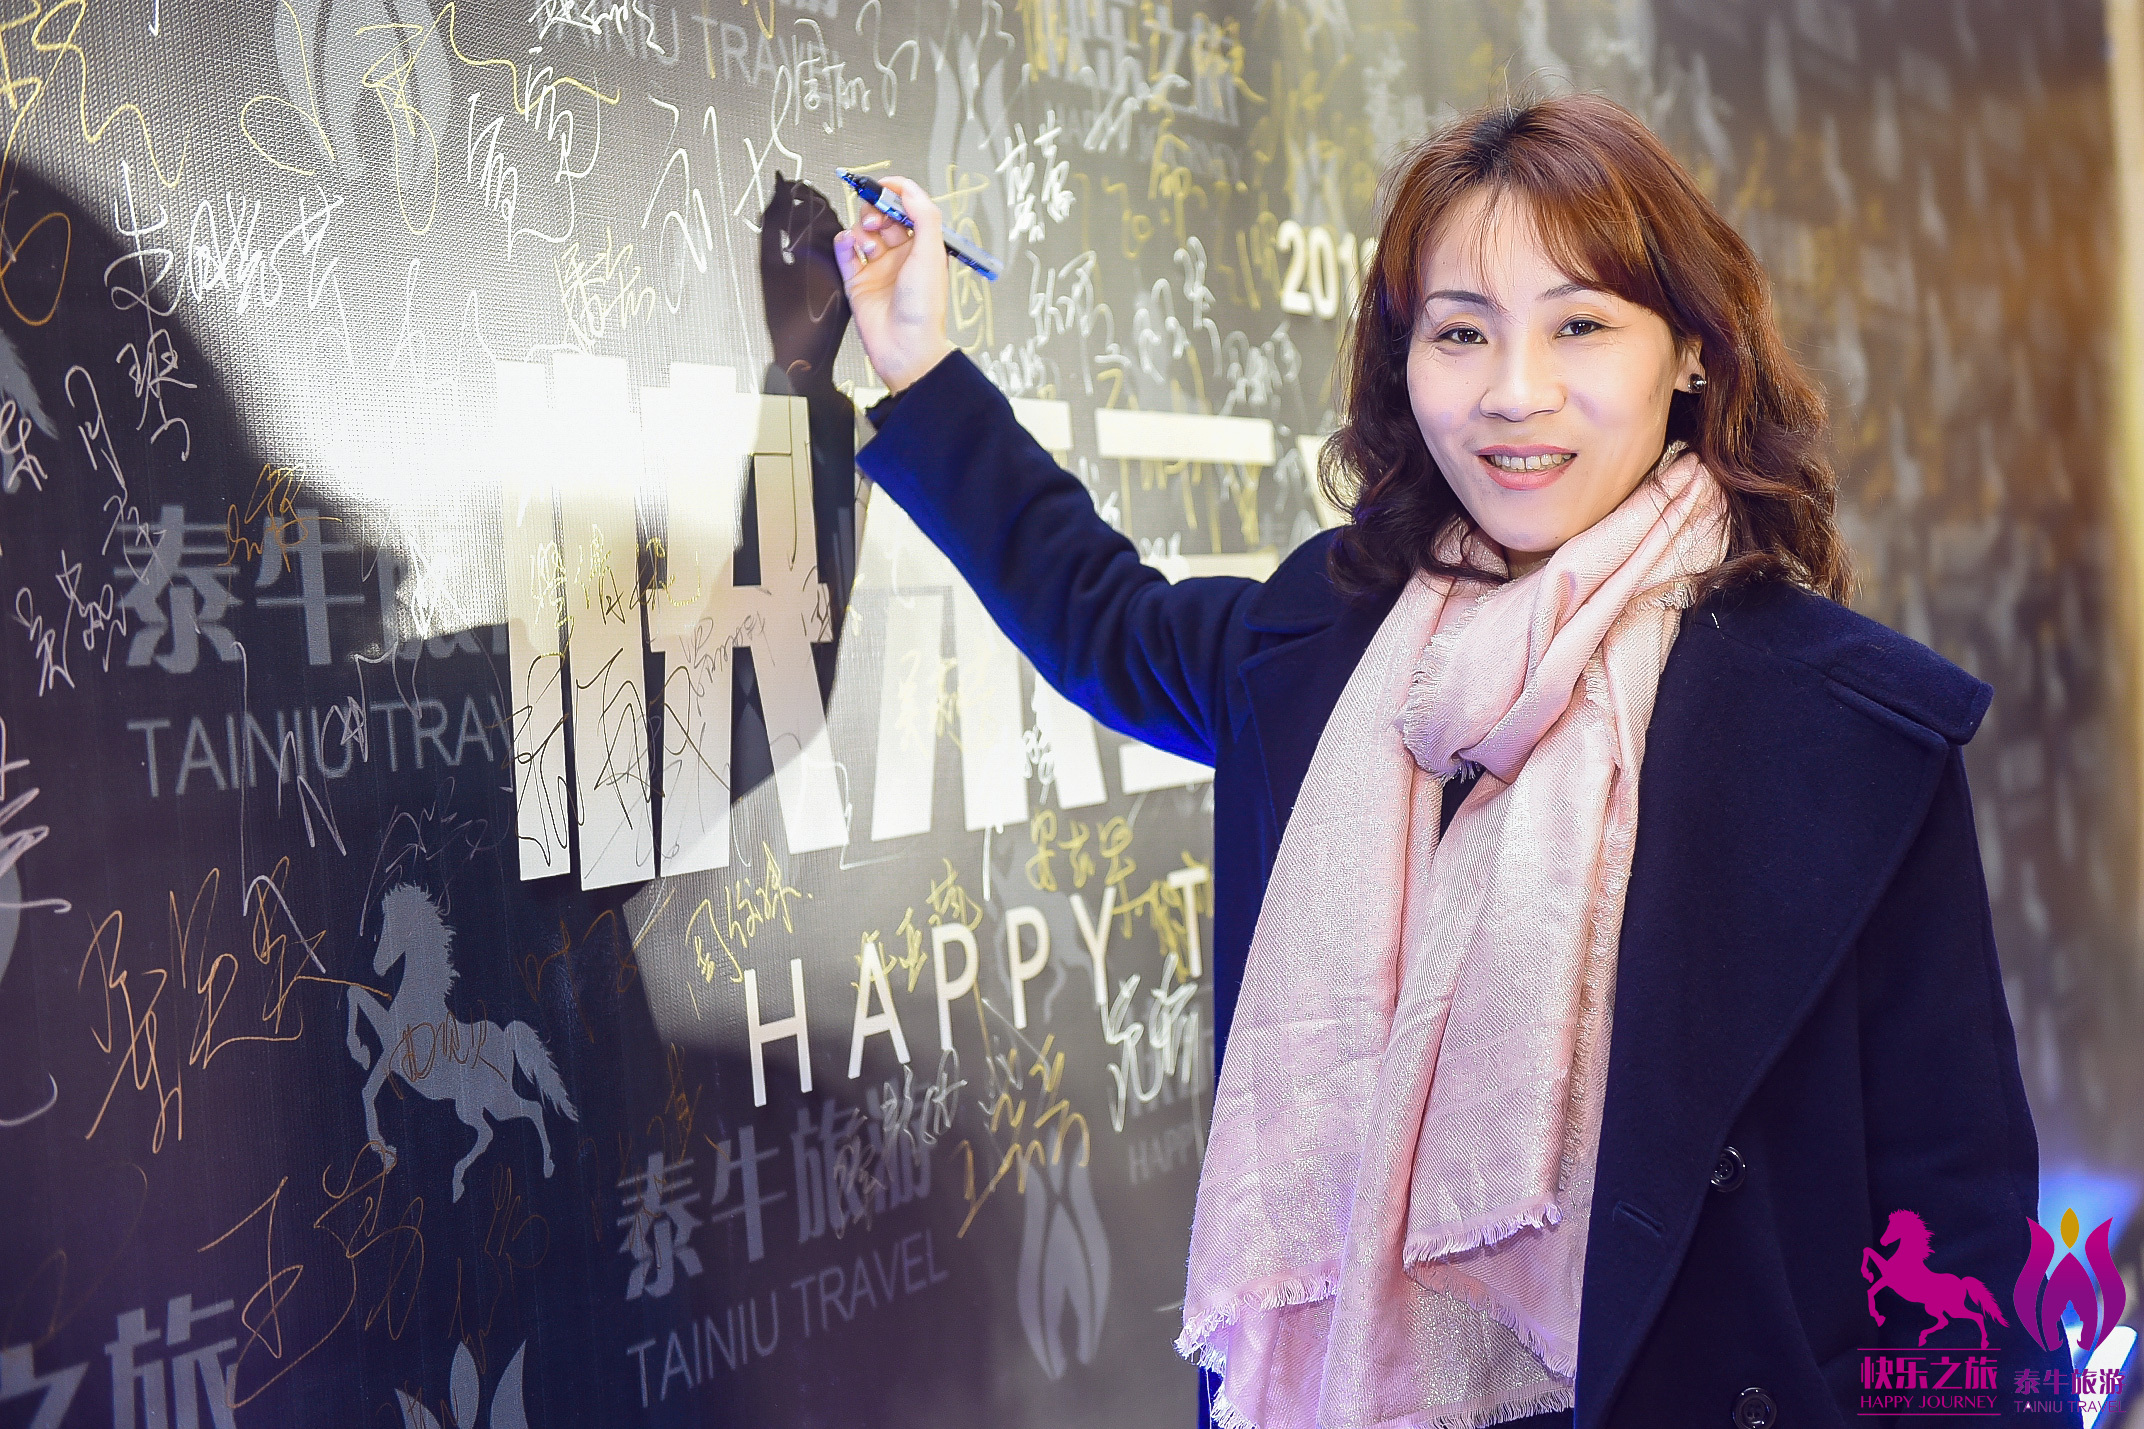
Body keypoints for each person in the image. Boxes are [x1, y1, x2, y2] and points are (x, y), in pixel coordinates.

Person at [834, 96, 2080, 1429]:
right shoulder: (1330, 641)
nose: (1513, 392)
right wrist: (920, 366)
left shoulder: (1844, 721)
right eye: (1462, 331)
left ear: (1690, 354)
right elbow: (1107, 620)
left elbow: (1958, 1213)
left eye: (1580, 325)